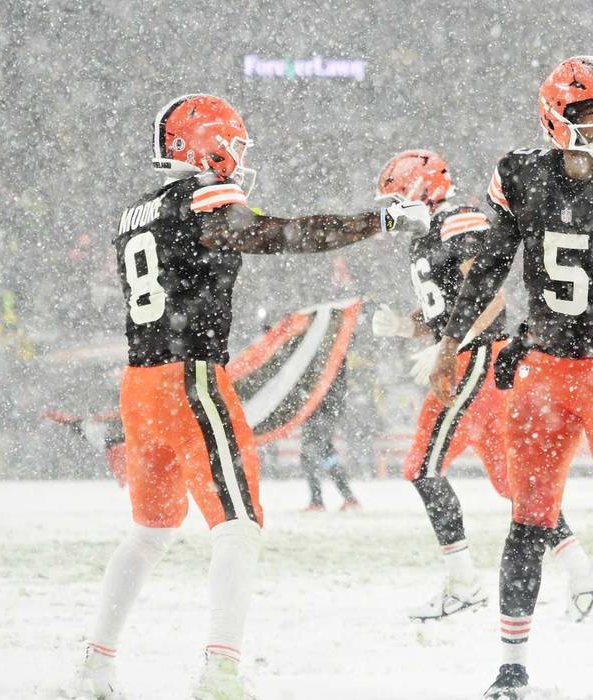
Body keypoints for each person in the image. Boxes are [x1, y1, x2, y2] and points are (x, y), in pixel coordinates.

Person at [60, 93, 428, 700]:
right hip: (190, 380)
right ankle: (220, 673)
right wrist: (379, 219)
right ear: (194, 144)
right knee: (239, 523)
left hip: (139, 385)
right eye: (228, 144)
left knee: (150, 532)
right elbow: (284, 235)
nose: (236, 158)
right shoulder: (203, 200)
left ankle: (95, 667)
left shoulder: (134, 213)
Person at [425, 57, 593, 698]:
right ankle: (512, 666)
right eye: (592, 113)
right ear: (556, 116)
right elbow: (489, 266)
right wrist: (448, 343)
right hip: (544, 372)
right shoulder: (521, 174)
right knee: (530, 518)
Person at [372, 150, 593, 622]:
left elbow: (487, 295)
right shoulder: (427, 239)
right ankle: (584, 578)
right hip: (475, 358)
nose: (393, 208)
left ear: (421, 188)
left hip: (476, 359)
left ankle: (463, 583)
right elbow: (447, 307)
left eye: (398, 195)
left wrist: (448, 344)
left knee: (422, 466)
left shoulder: (457, 221)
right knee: (515, 484)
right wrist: (406, 326)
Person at [298, 367, 360, 512]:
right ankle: (348, 498)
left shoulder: (322, 366)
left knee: (310, 457)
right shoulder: (329, 367)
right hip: (322, 417)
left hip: (318, 418)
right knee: (327, 457)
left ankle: (317, 501)